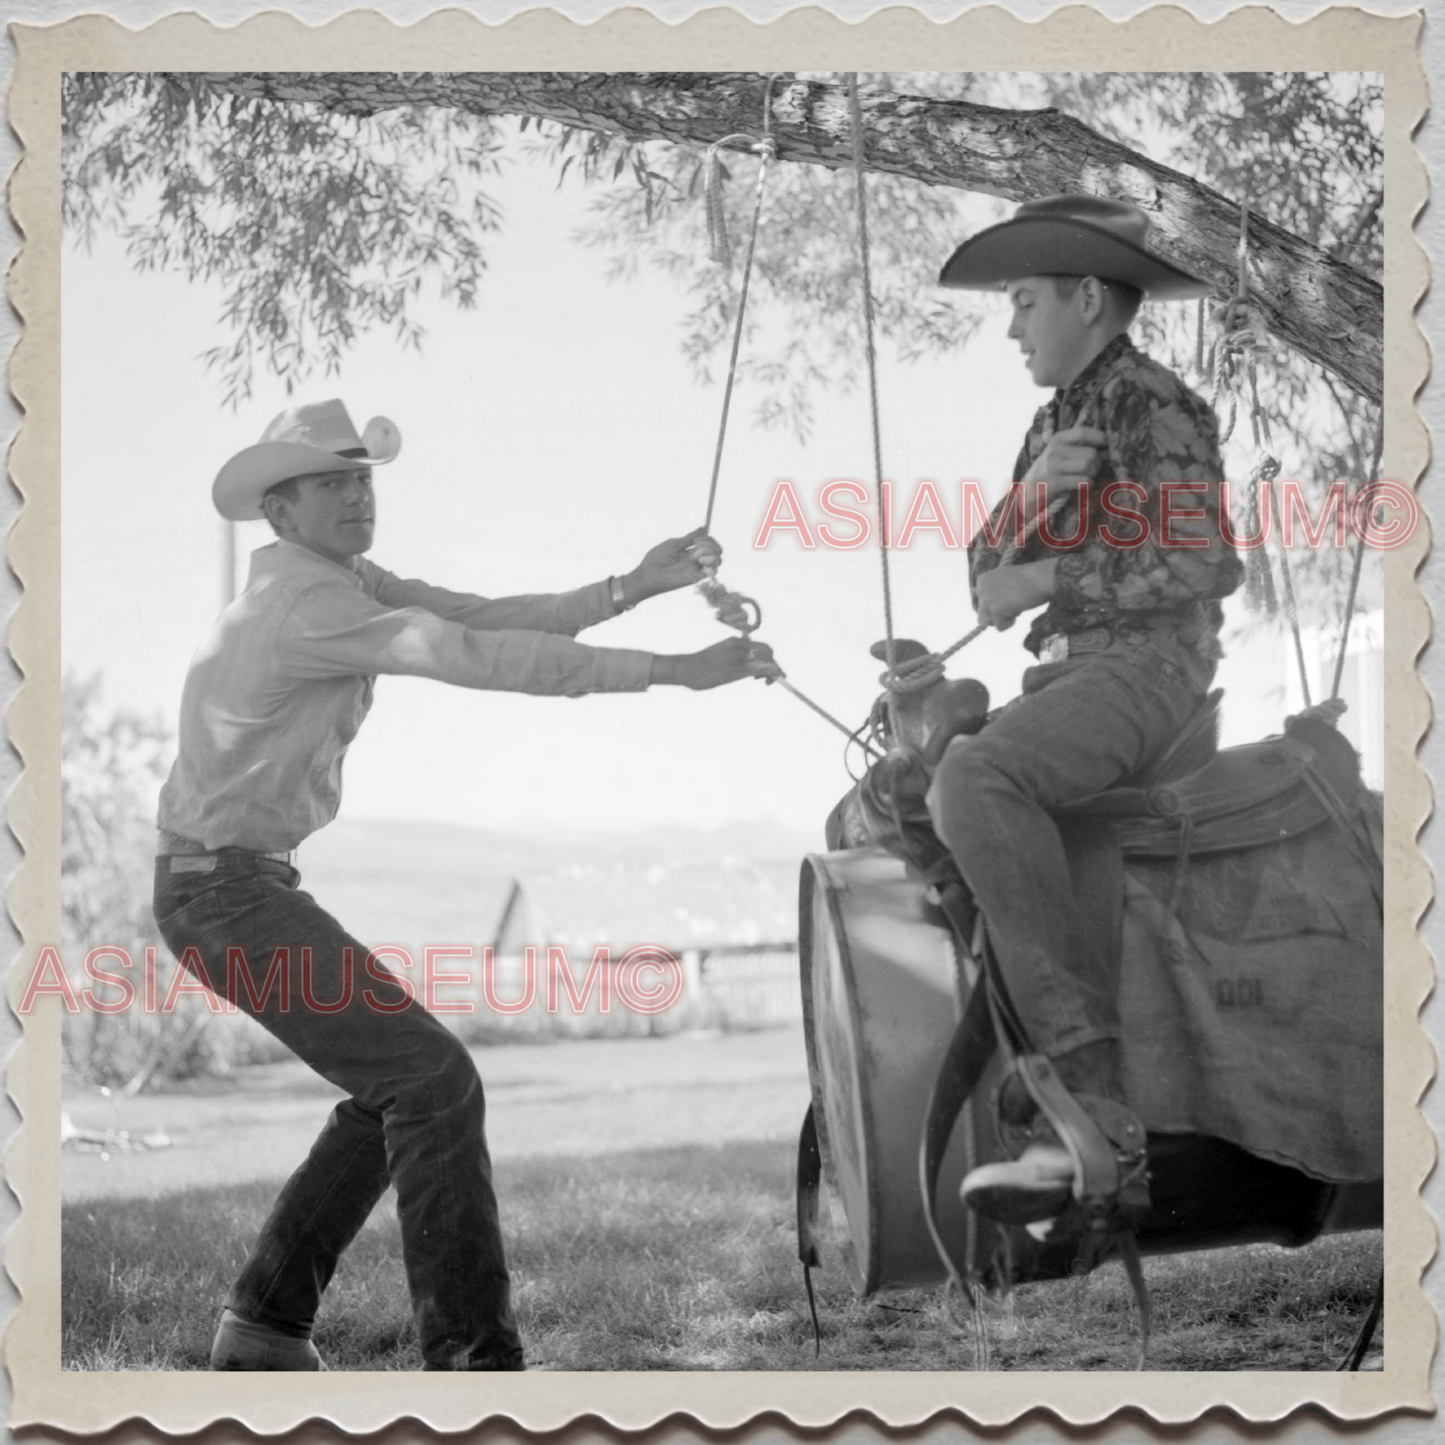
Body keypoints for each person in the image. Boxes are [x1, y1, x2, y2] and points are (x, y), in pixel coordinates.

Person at [152, 399, 778, 1371]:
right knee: (432, 1078)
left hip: (235, 887)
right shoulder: (306, 604)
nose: (358, 494)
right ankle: (472, 1365)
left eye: (362, 477)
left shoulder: (341, 579)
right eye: (331, 482)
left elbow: (482, 616)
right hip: (222, 894)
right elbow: (471, 656)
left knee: (397, 1084)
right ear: (278, 511)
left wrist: (634, 584)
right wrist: (670, 671)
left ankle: (265, 1322)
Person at [925, 195, 1243, 1230]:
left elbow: (1201, 560)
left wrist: (1048, 567)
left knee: (975, 776)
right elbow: (984, 582)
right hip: (1066, 676)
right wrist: (1020, 510)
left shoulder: (1156, 404)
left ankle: (1090, 1109)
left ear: (1088, 299)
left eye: (1023, 302)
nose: (1011, 326)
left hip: (1144, 671)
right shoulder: (1048, 422)